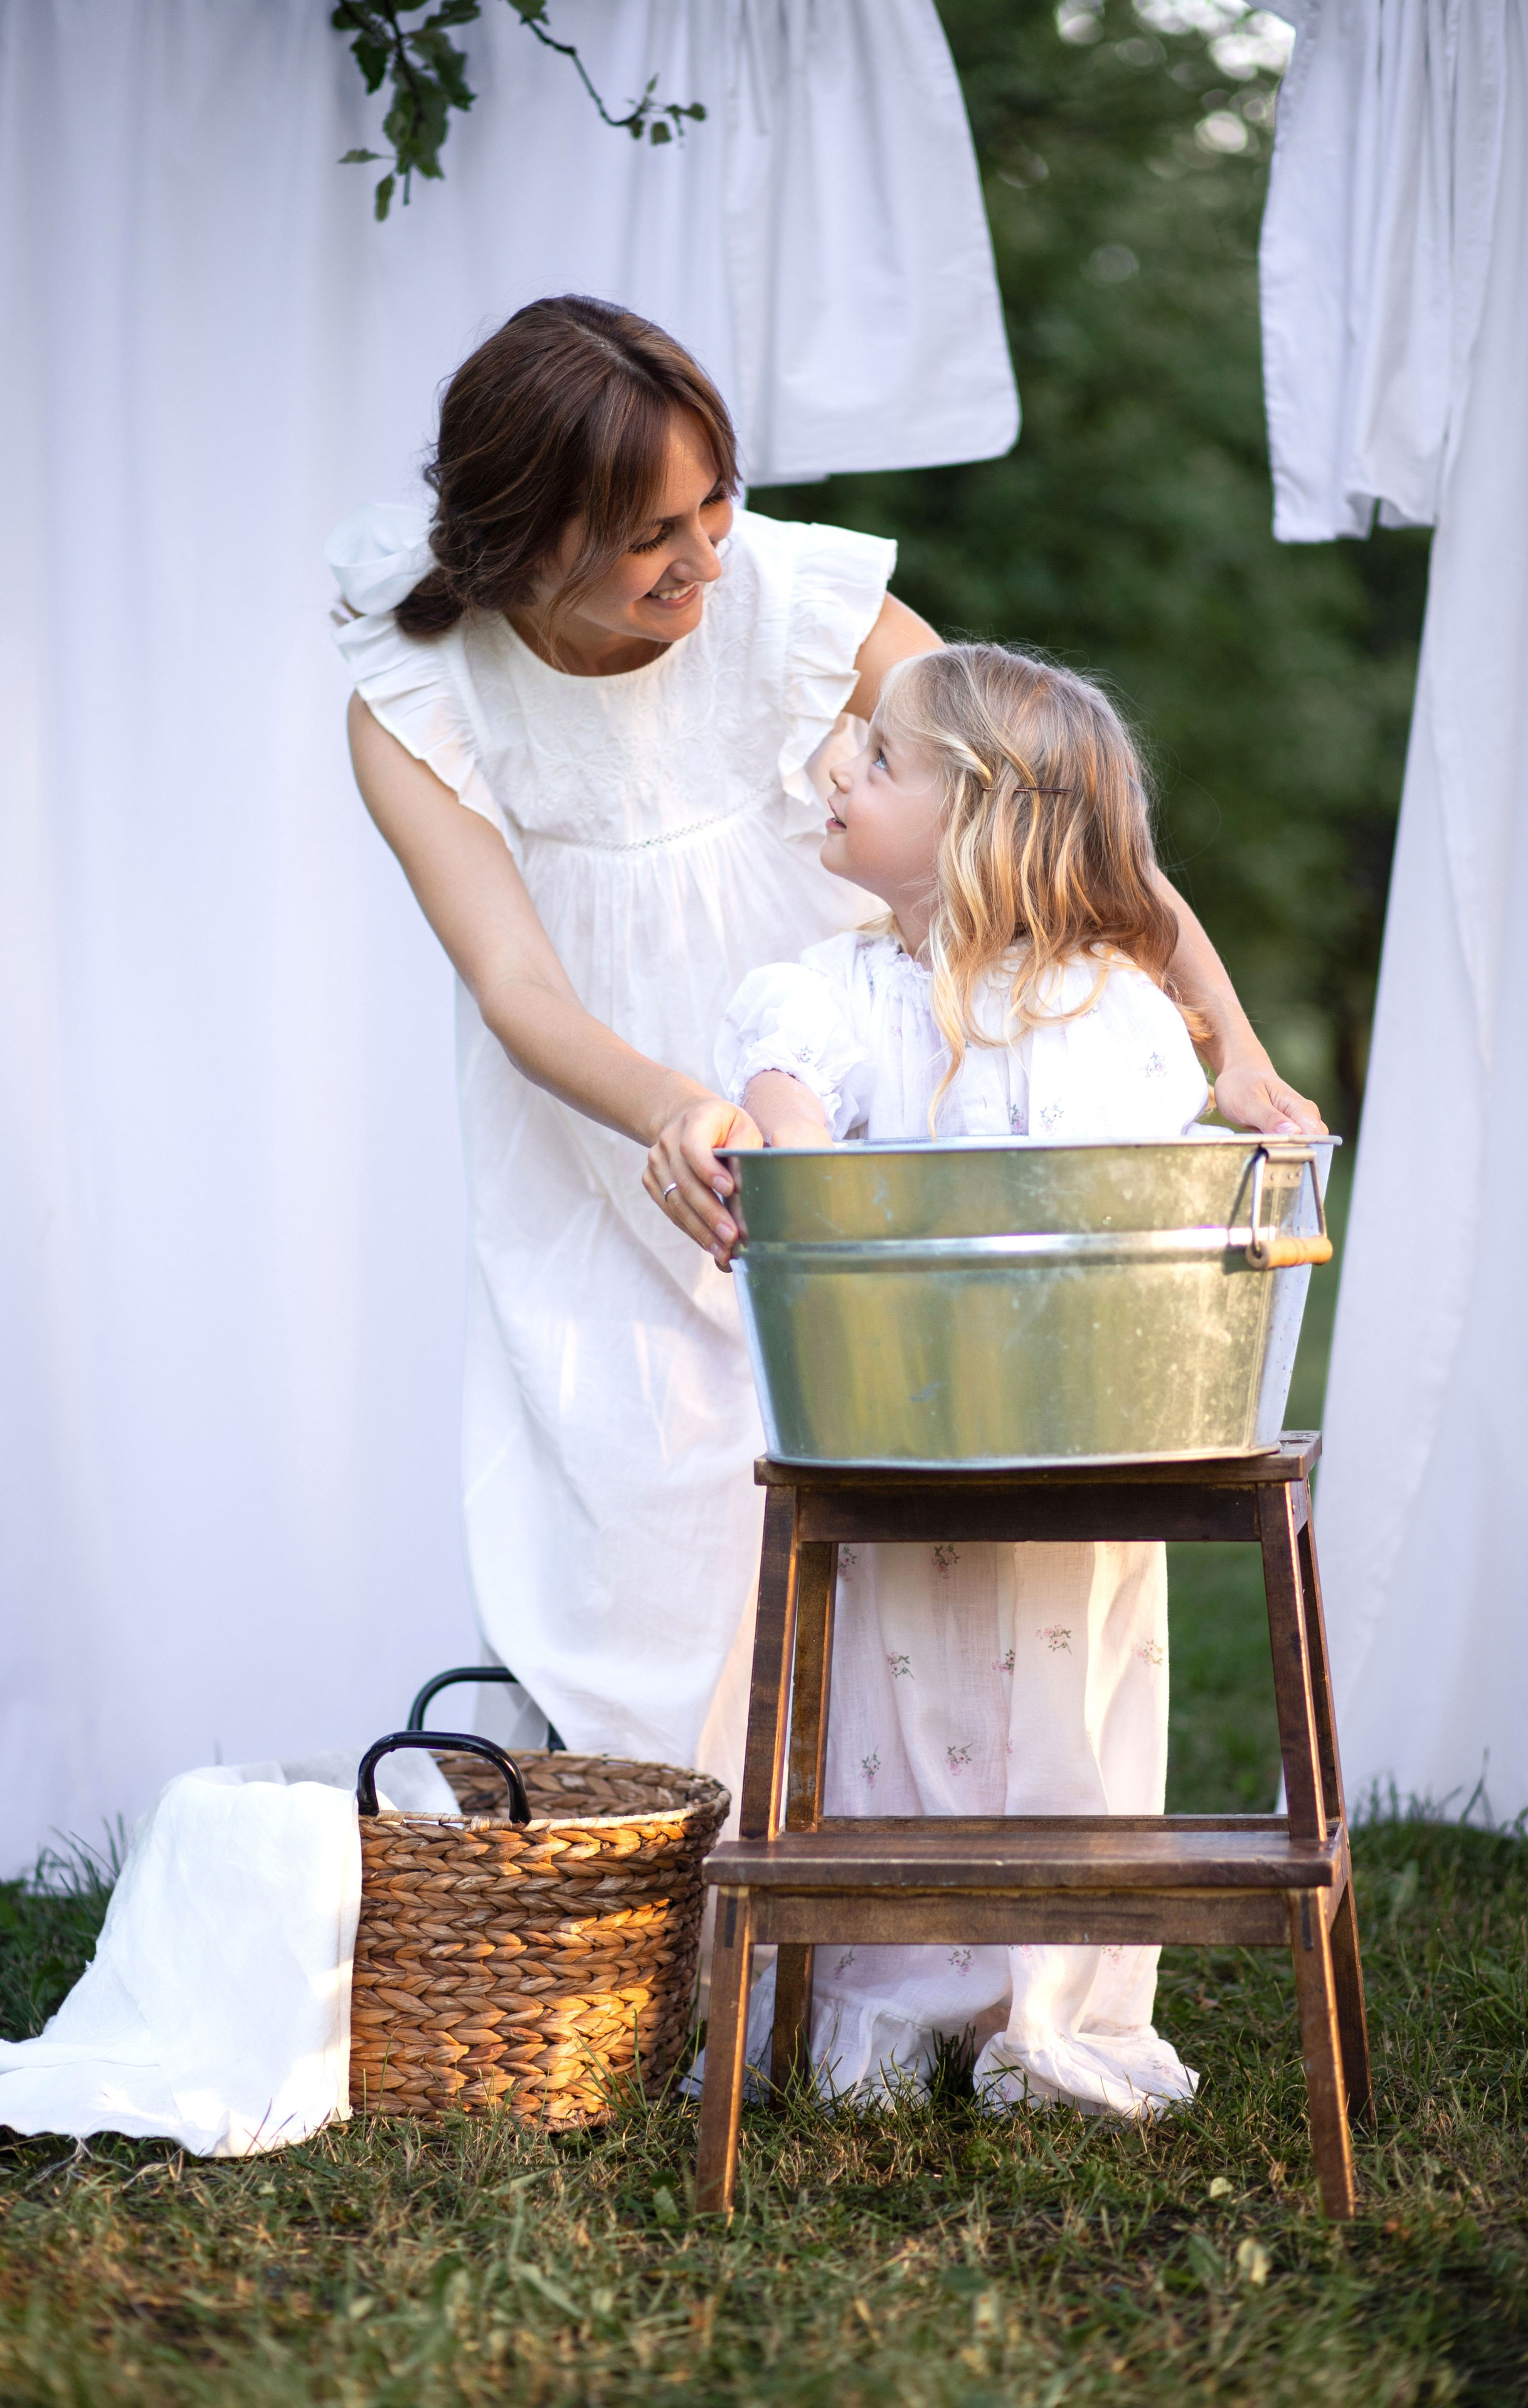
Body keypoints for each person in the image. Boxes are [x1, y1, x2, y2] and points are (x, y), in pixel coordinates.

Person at [332, 293, 1324, 1802]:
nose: (709, 556)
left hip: (869, 1111)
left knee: (898, 1523)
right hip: (613, 1130)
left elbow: (1064, 839)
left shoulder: (799, 605)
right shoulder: (420, 693)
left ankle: (887, 1918)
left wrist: (1231, 1046)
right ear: (531, 541)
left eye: (716, 500)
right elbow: (517, 986)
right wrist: (685, 1111)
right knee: (639, 1527)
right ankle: (663, 1931)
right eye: (656, 533)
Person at [713, 643, 1207, 2111]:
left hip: (1080, 1428)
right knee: (895, 1706)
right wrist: (768, 1134)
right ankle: (890, 1997)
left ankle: (1051, 1998)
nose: (833, 778)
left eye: (874, 762)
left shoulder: (1110, 1012)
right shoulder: (827, 996)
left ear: (977, 814)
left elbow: (1127, 1201)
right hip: (901, 1429)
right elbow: (791, 1137)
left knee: (1069, 1708)